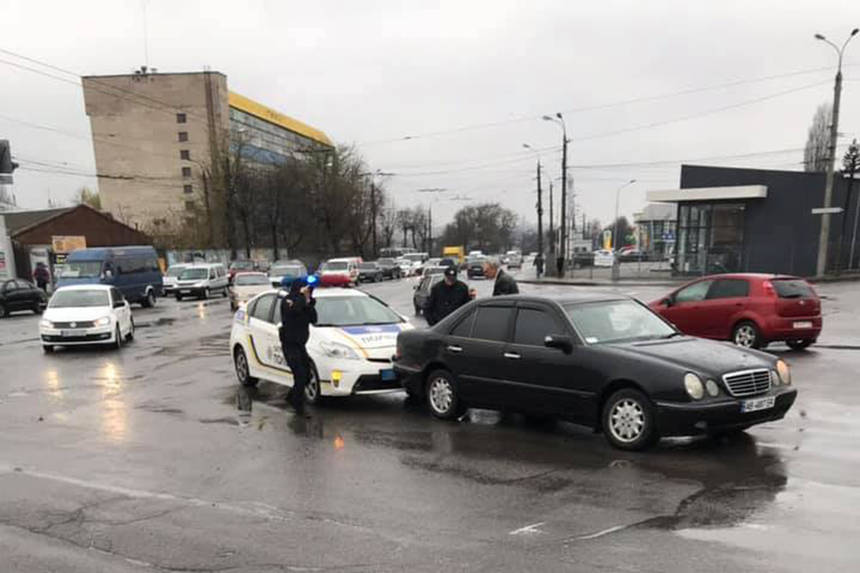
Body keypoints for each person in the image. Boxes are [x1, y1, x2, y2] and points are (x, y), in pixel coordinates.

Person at [278, 277, 317, 416]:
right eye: (305, 288)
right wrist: (301, 296)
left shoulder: (304, 303)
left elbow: (314, 318)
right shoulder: (287, 300)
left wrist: (309, 302)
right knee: (299, 375)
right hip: (289, 345)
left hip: (301, 345)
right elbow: (294, 310)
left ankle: (291, 397)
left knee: (306, 375)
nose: (307, 291)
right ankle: (298, 406)